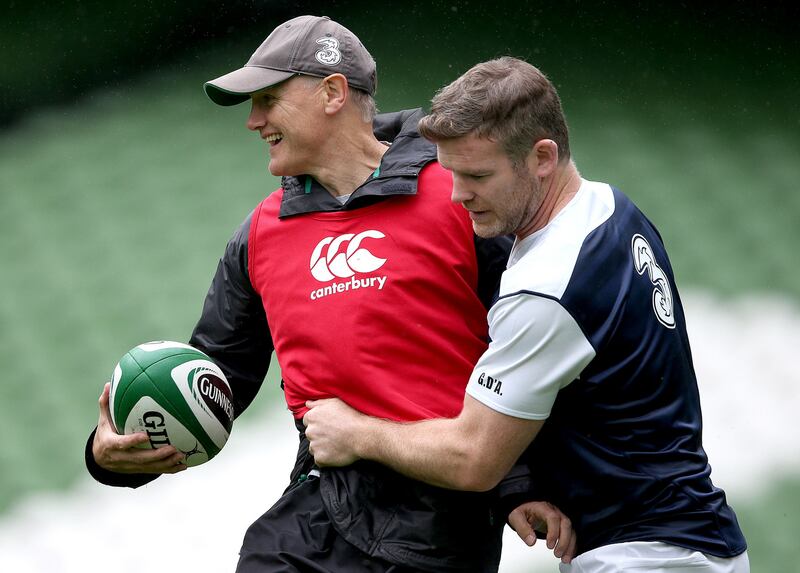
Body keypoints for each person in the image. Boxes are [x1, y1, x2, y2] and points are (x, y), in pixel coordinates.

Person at [84, 17, 576, 573]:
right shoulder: (259, 235)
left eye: (268, 100)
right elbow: (212, 378)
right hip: (317, 510)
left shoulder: (461, 192)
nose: (253, 121)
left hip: (439, 527)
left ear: (332, 92)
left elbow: (528, 346)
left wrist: (522, 484)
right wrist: (117, 456)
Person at [303, 56, 750, 572]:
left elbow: (473, 458)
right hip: (685, 539)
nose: (457, 194)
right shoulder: (610, 207)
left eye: (477, 175)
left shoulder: (546, 289)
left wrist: (357, 432)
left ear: (542, 157)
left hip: (643, 554)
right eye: (450, 172)